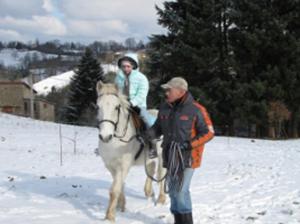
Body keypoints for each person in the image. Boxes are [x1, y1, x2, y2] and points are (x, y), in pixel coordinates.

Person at [146, 77, 214, 224]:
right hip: (170, 156)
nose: (166, 93)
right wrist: (148, 135)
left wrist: (189, 145)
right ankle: (178, 220)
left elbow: (209, 133)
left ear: (181, 91)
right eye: (166, 90)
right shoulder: (164, 107)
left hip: (188, 157)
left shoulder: (196, 109)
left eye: (169, 90)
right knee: (172, 191)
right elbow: (158, 128)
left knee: (181, 191)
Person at [115, 53, 158, 158]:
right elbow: (116, 91)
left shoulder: (141, 78)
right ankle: (105, 143)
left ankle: (153, 146)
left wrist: (132, 102)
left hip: (138, 105)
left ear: (133, 66)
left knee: (146, 119)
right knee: (109, 117)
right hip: (122, 105)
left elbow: (142, 94)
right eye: (123, 66)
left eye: (128, 66)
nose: (125, 69)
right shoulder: (118, 78)